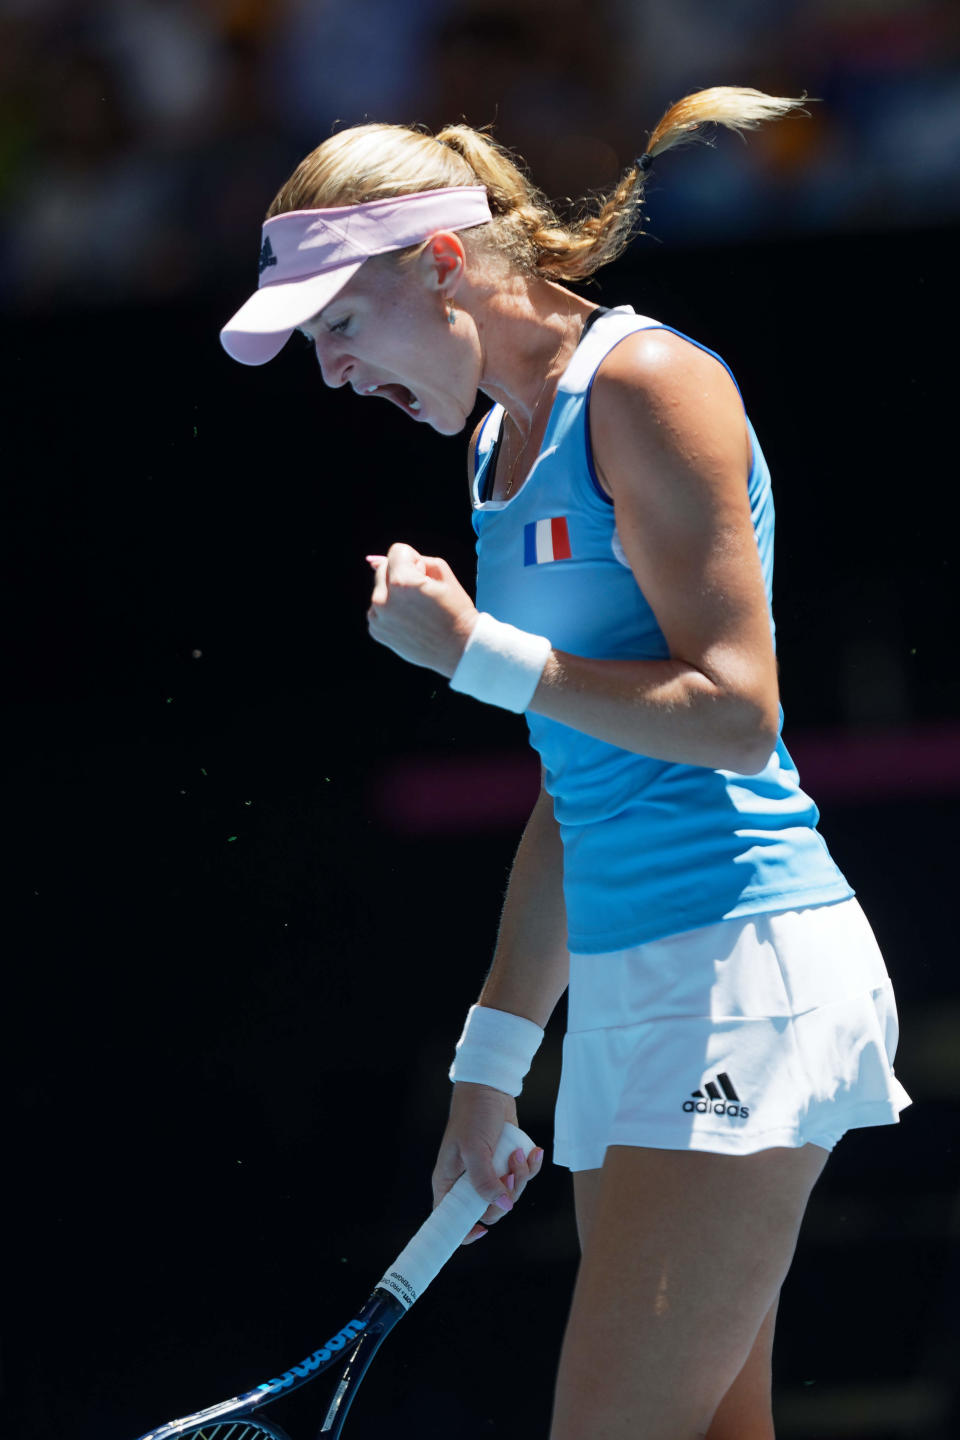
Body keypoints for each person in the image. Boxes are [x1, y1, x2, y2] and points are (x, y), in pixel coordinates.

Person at [220, 86, 912, 1440]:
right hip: (635, 995)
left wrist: (478, 656)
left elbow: (736, 712)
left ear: (440, 264)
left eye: (340, 325)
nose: (333, 373)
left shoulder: (651, 386)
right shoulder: (494, 451)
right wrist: (491, 1068)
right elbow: (576, 781)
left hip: (747, 983)